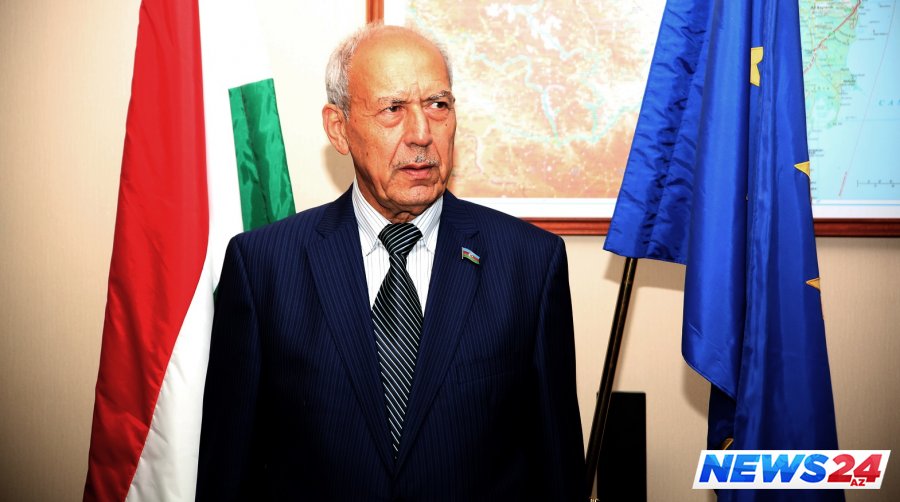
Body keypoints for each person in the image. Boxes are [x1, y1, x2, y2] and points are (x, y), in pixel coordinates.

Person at [196, 24, 584, 501]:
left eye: (438, 105)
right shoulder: (263, 268)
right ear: (339, 128)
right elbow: (227, 473)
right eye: (393, 109)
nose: (421, 134)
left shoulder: (530, 264)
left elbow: (557, 470)